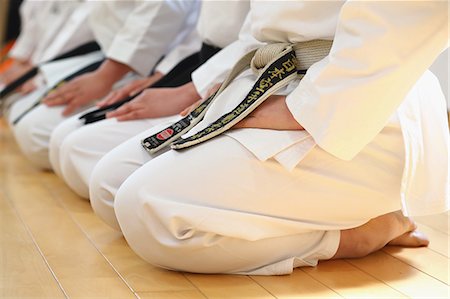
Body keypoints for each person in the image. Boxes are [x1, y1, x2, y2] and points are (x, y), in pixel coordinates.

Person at [93, 1, 448, 275]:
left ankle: (361, 233)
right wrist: (209, 90)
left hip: (357, 101)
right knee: (109, 184)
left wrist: (306, 108)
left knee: (148, 210)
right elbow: (260, 27)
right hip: (268, 78)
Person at [48, 1, 255, 202]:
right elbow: (200, 30)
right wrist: (166, 73)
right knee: (71, 148)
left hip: (247, 75)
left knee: (107, 178)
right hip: (203, 65)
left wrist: (189, 91)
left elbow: (262, 38)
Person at [7, 0, 200, 169]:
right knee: (30, 126)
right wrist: (28, 62)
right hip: (113, 56)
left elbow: (167, 8)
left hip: (154, 67)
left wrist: (107, 75)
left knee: (41, 135)